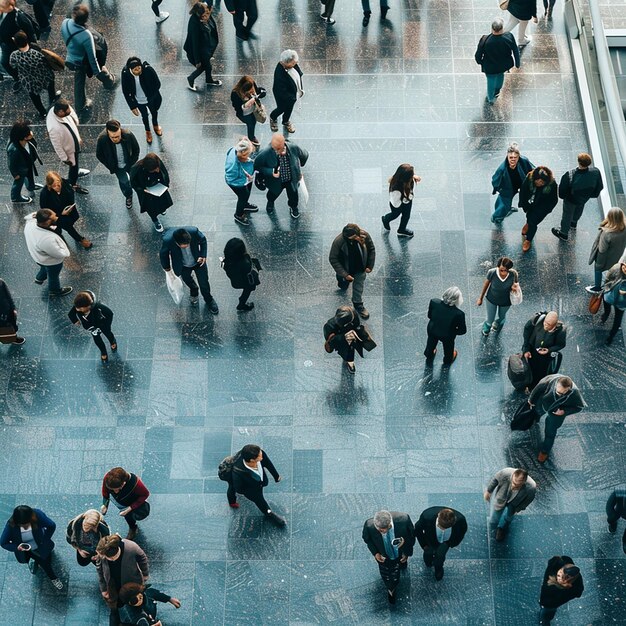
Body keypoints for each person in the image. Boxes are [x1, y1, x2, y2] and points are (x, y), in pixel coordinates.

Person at [61, 3, 116, 115]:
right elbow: (92, 58)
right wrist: (98, 72)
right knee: (99, 72)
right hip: (82, 60)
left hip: (71, 58)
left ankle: (80, 107)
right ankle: (108, 81)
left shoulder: (65, 23)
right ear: (86, 19)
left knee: (79, 83)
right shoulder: (86, 35)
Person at [0, 505, 63, 589]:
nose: (25, 527)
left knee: (46, 564)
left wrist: (45, 539)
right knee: (27, 559)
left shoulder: (38, 515)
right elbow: (3, 543)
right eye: (22, 525)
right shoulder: (11, 525)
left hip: (39, 547)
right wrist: (17, 547)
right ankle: (34, 562)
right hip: (24, 549)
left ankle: (53, 578)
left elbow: (51, 525)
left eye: (26, 524)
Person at [159, 226, 219, 313]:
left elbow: (203, 241)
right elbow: (163, 255)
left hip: (199, 262)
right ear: (176, 243)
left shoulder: (193, 232)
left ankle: (209, 299)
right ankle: (194, 289)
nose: (187, 246)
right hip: (183, 266)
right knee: (187, 279)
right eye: (184, 246)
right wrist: (167, 269)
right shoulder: (168, 240)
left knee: (204, 282)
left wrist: (203, 255)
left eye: (188, 244)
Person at [528, 375, 586, 463]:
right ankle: (536, 418)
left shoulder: (574, 393)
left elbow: (579, 407)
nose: (558, 394)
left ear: (568, 389)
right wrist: (531, 400)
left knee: (550, 432)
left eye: (562, 393)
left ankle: (545, 451)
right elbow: (538, 389)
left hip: (557, 413)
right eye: (557, 391)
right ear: (556, 384)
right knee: (537, 412)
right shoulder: (548, 381)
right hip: (544, 403)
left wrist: (564, 411)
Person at [225, 444, 286, 526]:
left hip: (258, 483)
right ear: (252, 460)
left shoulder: (260, 453)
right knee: (260, 501)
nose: (262, 456)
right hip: (251, 490)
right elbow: (239, 489)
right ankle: (268, 513)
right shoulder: (238, 473)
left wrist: (276, 476)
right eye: (260, 456)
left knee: (232, 487)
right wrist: (252, 493)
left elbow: (268, 463)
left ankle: (232, 500)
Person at [362, 510, 415, 604]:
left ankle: (403, 563)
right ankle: (391, 589)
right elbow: (367, 540)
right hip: (384, 557)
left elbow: (411, 536)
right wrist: (375, 553)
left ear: (390, 523)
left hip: (400, 552)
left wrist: (406, 552)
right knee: (388, 577)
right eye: (381, 530)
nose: (384, 532)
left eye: (387, 528)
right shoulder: (369, 525)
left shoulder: (404, 519)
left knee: (402, 562)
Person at [96, 534, 149, 626]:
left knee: (136, 606)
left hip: (131, 583)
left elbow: (142, 557)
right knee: (114, 609)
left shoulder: (131, 547)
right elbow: (100, 572)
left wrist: (145, 574)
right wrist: (104, 589)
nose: (111, 560)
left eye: (112, 557)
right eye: (108, 558)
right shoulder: (103, 553)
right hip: (113, 585)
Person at [254, 133, 309, 218]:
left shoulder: (293, 147)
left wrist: (299, 169)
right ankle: (270, 202)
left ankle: (293, 207)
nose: (277, 151)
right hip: (276, 181)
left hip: (291, 179)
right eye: (275, 149)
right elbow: (257, 166)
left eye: (279, 149)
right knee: (272, 194)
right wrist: (270, 172)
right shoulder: (266, 152)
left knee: (293, 195)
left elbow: (304, 154)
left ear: (284, 143)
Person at [552, 153, 604, 241]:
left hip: (571, 200)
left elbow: (561, 193)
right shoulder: (596, 171)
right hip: (584, 197)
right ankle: (573, 223)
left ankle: (563, 233)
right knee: (579, 209)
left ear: (579, 162)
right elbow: (600, 186)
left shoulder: (569, 175)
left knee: (567, 215)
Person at [329, 224, 376, 320]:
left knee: (359, 285)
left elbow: (371, 249)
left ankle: (358, 304)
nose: (352, 239)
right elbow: (333, 258)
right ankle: (342, 282)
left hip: (360, 267)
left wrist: (369, 266)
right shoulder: (339, 242)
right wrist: (344, 275)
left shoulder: (365, 236)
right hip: (345, 268)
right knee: (343, 284)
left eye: (354, 237)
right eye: (350, 238)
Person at [9, 30, 59, 119]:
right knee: (50, 86)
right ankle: (53, 99)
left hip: (29, 80)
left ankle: (42, 112)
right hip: (43, 75)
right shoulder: (36, 50)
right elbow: (46, 61)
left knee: (35, 97)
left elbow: (13, 66)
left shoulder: (14, 55)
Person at [23, 208, 72, 296]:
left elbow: (35, 214)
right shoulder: (46, 239)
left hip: (38, 257)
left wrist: (61, 215)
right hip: (51, 262)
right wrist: (65, 251)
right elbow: (59, 253)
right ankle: (54, 290)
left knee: (43, 267)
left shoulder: (30, 223)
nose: (57, 217)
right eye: (55, 218)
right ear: (47, 222)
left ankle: (39, 278)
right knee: (53, 275)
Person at [46, 99, 90, 195]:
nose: (70, 112)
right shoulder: (53, 128)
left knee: (76, 162)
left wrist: (77, 137)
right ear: (60, 112)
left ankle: (76, 172)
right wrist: (64, 158)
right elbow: (57, 145)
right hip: (69, 150)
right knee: (73, 166)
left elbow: (72, 115)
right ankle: (72, 184)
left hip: (73, 144)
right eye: (67, 112)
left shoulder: (59, 109)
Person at [40, 170, 92, 249]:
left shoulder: (65, 184)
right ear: (49, 186)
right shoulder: (45, 194)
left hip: (69, 209)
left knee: (68, 223)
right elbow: (45, 210)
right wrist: (61, 214)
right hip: (56, 215)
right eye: (54, 186)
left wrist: (69, 208)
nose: (57, 187)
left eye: (58, 184)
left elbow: (71, 195)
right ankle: (80, 239)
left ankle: (59, 230)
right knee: (67, 226)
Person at [96, 119, 140, 210]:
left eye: (117, 136)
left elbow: (136, 149)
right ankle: (128, 196)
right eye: (113, 137)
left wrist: (132, 161)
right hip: (117, 167)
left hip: (130, 163)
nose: (116, 139)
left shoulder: (128, 134)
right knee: (124, 183)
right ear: (108, 133)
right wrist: (110, 165)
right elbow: (99, 155)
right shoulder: (102, 139)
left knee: (136, 179)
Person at [414, 506, 467, 581]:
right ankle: (428, 562)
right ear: (438, 516)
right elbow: (417, 529)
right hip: (429, 540)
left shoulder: (461, 520)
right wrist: (424, 544)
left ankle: (438, 568)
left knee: (440, 556)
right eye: (440, 526)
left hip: (446, 542)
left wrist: (452, 543)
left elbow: (462, 532)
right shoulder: (427, 516)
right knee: (428, 553)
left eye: (446, 528)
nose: (443, 530)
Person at [474, 18, 520, 104]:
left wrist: (480, 62)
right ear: (502, 28)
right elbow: (515, 49)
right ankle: (497, 90)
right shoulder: (509, 36)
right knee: (500, 75)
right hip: (503, 65)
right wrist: (517, 63)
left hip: (490, 66)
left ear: (492, 29)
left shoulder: (485, 39)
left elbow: (478, 55)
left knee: (490, 80)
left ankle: (491, 98)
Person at [484, 468, 536, 541]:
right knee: (496, 511)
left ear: (524, 481)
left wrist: (518, 509)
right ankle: (494, 522)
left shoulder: (531, 487)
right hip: (502, 496)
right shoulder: (505, 473)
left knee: (509, 516)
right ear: (513, 475)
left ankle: (502, 528)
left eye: (518, 485)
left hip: (515, 502)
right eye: (514, 483)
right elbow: (495, 480)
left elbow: (528, 500)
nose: (514, 486)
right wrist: (488, 491)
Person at [121, 57, 163, 145]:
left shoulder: (148, 70)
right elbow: (125, 91)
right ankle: (148, 131)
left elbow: (157, 84)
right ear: (131, 69)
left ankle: (155, 125)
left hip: (150, 98)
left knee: (154, 112)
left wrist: (151, 94)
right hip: (138, 100)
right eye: (135, 70)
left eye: (139, 68)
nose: (138, 71)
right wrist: (132, 106)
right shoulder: (125, 74)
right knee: (144, 116)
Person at [100, 467, 151, 540]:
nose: (115, 492)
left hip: (131, 501)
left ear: (123, 484)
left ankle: (132, 528)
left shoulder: (137, 484)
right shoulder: (108, 478)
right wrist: (104, 505)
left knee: (131, 514)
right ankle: (132, 526)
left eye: (117, 489)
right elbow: (105, 491)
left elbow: (145, 494)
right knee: (127, 515)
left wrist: (130, 508)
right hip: (121, 501)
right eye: (112, 490)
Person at [491, 142, 534, 224]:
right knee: (503, 206)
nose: (513, 160)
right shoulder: (502, 169)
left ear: (518, 157)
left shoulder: (524, 161)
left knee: (526, 201)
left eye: (515, 157)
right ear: (507, 156)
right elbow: (495, 179)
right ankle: (496, 217)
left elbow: (532, 170)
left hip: (522, 185)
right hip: (508, 189)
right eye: (511, 157)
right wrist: (498, 188)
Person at [585, 208, 626, 294]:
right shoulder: (624, 228)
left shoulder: (607, 233)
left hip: (604, 257)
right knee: (613, 269)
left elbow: (602, 250)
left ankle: (597, 287)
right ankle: (610, 285)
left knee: (598, 269)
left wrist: (599, 263)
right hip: (617, 254)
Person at [68, 290, 117, 362]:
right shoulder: (78, 306)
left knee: (108, 333)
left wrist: (107, 325)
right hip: (91, 327)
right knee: (97, 338)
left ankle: (112, 341)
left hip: (102, 324)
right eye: (77, 308)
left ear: (88, 306)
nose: (77, 309)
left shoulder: (98, 307)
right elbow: (71, 314)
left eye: (81, 308)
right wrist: (75, 320)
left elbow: (110, 313)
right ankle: (103, 351)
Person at [476, 256, 520, 336]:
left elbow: (516, 285)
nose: (503, 272)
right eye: (501, 270)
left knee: (502, 317)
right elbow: (486, 284)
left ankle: (497, 324)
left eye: (505, 270)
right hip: (491, 299)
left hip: (506, 301)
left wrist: (514, 288)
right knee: (490, 318)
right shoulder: (492, 272)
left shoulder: (513, 274)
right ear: (498, 267)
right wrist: (481, 298)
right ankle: (487, 327)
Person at [518, 166, 559, 253]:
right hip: (530, 204)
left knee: (533, 223)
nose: (539, 183)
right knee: (529, 216)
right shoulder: (529, 179)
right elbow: (523, 191)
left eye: (542, 182)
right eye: (538, 180)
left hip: (542, 208)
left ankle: (528, 240)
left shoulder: (552, 184)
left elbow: (554, 199)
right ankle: (527, 223)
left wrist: (547, 210)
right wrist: (523, 204)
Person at [129, 152, 172, 232]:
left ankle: (162, 209)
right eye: (154, 170)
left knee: (162, 200)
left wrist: (166, 185)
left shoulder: (157, 162)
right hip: (146, 191)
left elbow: (165, 174)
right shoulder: (136, 169)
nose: (157, 170)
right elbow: (133, 183)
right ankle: (155, 220)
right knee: (150, 208)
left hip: (158, 186)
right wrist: (142, 190)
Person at [522, 311, 567, 388]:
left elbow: (561, 344)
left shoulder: (561, 331)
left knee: (542, 372)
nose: (545, 325)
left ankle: (539, 386)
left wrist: (549, 350)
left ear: (555, 324)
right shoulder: (536, 320)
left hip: (545, 357)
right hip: (532, 350)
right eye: (545, 322)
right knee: (529, 369)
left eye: (549, 324)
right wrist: (526, 350)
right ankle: (528, 384)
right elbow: (526, 333)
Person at [184, 1, 221, 92]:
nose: (207, 15)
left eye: (208, 12)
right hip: (201, 49)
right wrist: (197, 60)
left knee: (207, 66)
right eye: (205, 14)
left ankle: (208, 80)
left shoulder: (205, 15)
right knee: (205, 66)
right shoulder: (194, 24)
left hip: (207, 47)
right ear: (199, 14)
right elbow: (195, 43)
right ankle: (191, 78)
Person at [424, 286, 467, 366]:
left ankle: (429, 354)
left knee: (431, 342)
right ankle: (447, 359)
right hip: (447, 335)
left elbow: (429, 315)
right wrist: (453, 331)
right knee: (448, 348)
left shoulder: (434, 302)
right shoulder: (459, 314)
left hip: (432, 329)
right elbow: (462, 331)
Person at [0, 0, 38, 88]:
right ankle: (18, 78)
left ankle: (30, 75)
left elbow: (30, 32)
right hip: (6, 44)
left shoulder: (18, 16)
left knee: (24, 62)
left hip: (18, 44)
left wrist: (31, 46)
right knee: (5, 63)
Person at [324, 305, 370, 374]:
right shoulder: (329, 326)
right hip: (340, 339)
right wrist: (340, 338)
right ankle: (348, 360)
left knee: (351, 348)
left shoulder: (354, 317)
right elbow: (329, 341)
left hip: (350, 336)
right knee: (344, 349)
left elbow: (357, 326)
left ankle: (350, 361)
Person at [538, 556, 583, 624]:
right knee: (546, 615)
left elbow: (578, 592)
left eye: (563, 578)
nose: (559, 579)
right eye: (558, 575)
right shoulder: (552, 582)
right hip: (548, 602)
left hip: (549, 605)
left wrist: (566, 588)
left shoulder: (557, 588)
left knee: (546, 616)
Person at [6, 120, 42, 204]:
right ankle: (15, 197)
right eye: (29, 133)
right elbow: (11, 164)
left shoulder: (25, 141)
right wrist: (15, 174)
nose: (31, 133)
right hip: (20, 169)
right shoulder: (14, 150)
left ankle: (30, 186)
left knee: (29, 176)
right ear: (24, 137)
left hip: (27, 164)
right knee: (19, 182)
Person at [382, 163, 421, 238]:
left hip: (407, 200)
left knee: (406, 216)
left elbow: (418, 178)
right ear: (406, 177)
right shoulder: (396, 189)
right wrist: (399, 207)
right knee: (395, 214)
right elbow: (395, 201)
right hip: (397, 204)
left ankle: (401, 229)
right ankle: (385, 219)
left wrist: (415, 177)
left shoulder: (408, 179)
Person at [221, 237, 261, 311]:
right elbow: (249, 270)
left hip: (235, 281)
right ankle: (241, 304)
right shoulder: (245, 262)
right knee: (247, 290)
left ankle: (242, 302)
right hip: (245, 281)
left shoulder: (227, 260)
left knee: (247, 289)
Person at [269, 50, 303, 133]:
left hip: (291, 95)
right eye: (293, 63)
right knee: (281, 108)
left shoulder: (292, 64)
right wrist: (291, 98)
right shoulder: (279, 74)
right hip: (282, 95)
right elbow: (281, 90)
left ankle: (286, 121)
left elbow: (298, 74)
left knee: (289, 109)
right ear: (286, 62)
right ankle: (273, 117)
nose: (295, 64)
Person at [225, 137, 257, 225]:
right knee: (243, 195)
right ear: (243, 155)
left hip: (237, 179)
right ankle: (238, 214)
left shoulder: (233, 149)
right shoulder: (237, 166)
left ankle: (244, 204)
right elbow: (243, 174)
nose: (250, 155)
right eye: (248, 154)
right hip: (236, 182)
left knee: (246, 192)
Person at [230, 75, 266, 145]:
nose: (251, 90)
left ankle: (251, 137)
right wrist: (246, 105)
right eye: (249, 90)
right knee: (251, 124)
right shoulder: (235, 93)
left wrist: (262, 93)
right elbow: (236, 107)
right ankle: (251, 138)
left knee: (254, 122)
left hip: (253, 109)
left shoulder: (251, 84)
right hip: (244, 113)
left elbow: (258, 90)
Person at [601, 254, 626, 345]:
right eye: (625, 266)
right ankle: (605, 316)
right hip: (609, 297)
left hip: (622, 303)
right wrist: (607, 289)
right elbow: (607, 279)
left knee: (617, 321)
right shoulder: (616, 268)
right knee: (607, 310)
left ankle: (610, 337)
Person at [0, 278, 25, 344]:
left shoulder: (1, 282)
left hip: (7, 310)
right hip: (6, 309)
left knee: (11, 324)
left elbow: (8, 296)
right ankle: (11, 337)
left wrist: (13, 308)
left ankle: (13, 337)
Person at [606, 486, 626, 554]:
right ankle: (613, 524)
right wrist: (611, 517)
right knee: (612, 519)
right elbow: (609, 505)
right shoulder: (621, 491)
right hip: (619, 511)